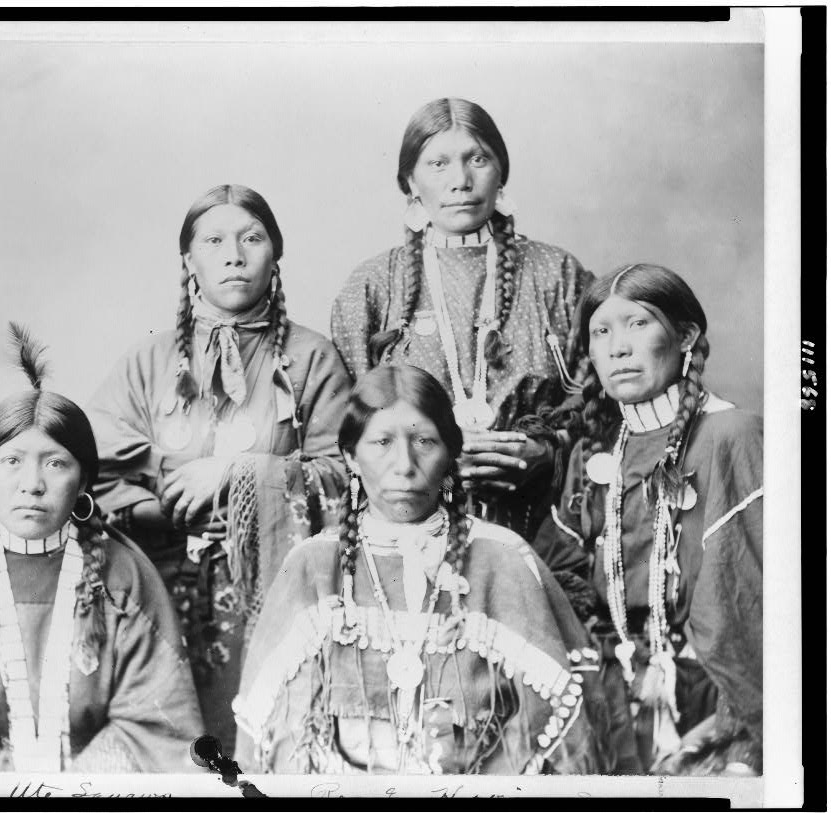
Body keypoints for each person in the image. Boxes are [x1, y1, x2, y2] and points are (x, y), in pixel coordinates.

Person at [233, 365, 610, 775]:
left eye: (424, 442)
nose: (404, 465)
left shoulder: (502, 559)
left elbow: (561, 726)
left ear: (451, 454)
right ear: (351, 457)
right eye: (382, 442)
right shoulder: (314, 566)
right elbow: (276, 741)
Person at [87, 184, 351, 755]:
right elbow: (92, 470)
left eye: (251, 238)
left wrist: (237, 474)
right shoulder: (149, 361)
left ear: (276, 254)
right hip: (158, 597)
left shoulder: (312, 359)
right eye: (214, 242)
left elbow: (346, 477)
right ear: (189, 260)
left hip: (272, 599)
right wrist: (164, 506)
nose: (234, 256)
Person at [0, 324, 204, 772]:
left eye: (55, 463)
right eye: (12, 461)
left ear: (84, 480)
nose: (31, 484)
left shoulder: (124, 579)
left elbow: (154, 726)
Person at [531, 264, 763, 775]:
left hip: (714, 701)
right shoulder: (592, 453)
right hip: (610, 704)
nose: (619, 347)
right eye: (602, 332)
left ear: (686, 336)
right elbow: (556, 582)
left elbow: (745, 607)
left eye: (638, 323)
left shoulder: (732, 436)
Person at [331, 97, 594, 542]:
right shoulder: (372, 286)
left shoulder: (557, 274)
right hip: (409, 530)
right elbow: (346, 428)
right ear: (410, 182)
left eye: (478, 159)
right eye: (438, 164)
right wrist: (427, 452)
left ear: (501, 172)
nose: (460, 181)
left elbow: (601, 403)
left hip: (545, 526)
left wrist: (548, 451)